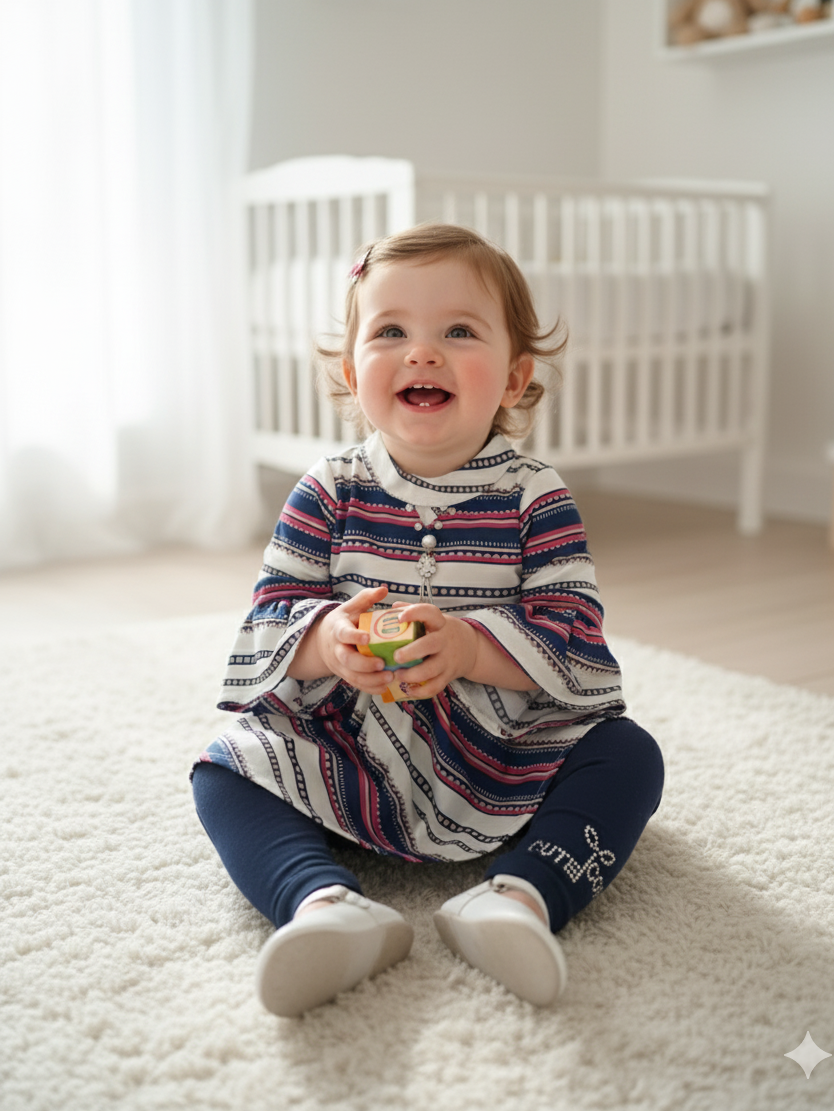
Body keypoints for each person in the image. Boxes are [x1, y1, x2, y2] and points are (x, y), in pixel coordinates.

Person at [192, 223, 664, 1016]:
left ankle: (518, 901)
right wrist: (329, 641)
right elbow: (271, 616)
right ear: (351, 372)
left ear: (514, 379)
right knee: (223, 768)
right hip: (349, 748)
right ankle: (325, 907)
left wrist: (471, 648)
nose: (422, 352)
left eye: (458, 331)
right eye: (390, 332)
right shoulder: (328, 488)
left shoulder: (534, 495)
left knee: (629, 756)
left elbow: (574, 632)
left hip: (505, 749)